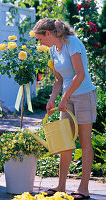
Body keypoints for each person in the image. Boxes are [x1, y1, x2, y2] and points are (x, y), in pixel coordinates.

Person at [33, 18, 97, 200]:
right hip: (66, 98)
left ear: (48, 33)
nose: (40, 43)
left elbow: (80, 74)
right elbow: (58, 80)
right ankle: (61, 185)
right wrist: (52, 100)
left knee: (85, 143)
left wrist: (65, 97)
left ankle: (83, 188)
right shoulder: (54, 49)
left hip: (84, 95)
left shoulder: (72, 43)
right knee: (65, 143)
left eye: (40, 39)